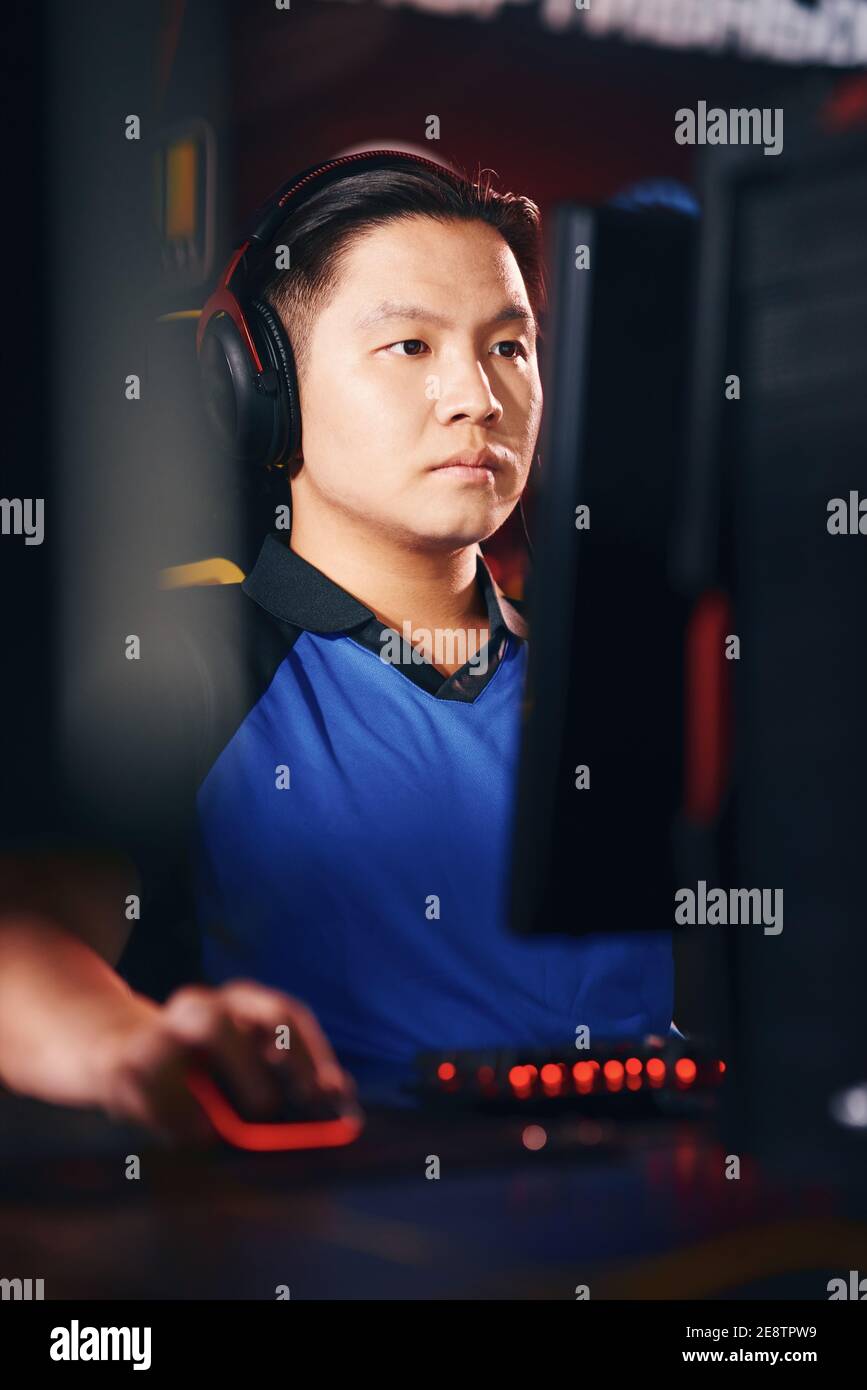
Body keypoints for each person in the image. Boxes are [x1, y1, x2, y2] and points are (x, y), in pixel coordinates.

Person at [0, 154, 675, 1137]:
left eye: (510, 347)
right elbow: (21, 933)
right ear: (262, 386)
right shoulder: (195, 660)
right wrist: (125, 1042)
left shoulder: (619, 677)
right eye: (410, 345)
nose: (476, 398)